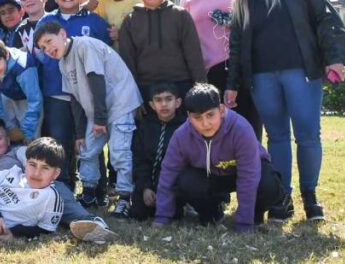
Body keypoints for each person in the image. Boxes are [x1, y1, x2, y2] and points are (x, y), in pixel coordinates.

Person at [225, 0, 345, 222]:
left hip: (301, 72)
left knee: (307, 135)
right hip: (261, 76)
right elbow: (236, 44)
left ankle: (311, 197)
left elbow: (326, 18)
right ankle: (282, 197)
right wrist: (232, 84)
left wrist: (335, 57)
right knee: (277, 137)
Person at [35, 21, 141, 217]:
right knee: (86, 151)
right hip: (97, 112)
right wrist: (79, 133)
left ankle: (126, 197)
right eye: (43, 47)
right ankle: (89, 193)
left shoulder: (84, 46)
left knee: (119, 152)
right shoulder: (62, 63)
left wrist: (100, 119)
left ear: (62, 33)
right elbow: (74, 99)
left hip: (119, 104)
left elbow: (96, 81)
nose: (48, 48)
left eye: (49, 41)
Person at [153, 83, 283, 232]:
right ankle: (212, 213)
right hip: (210, 177)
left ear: (221, 110)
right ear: (189, 117)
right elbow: (168, 174)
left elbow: (249, 176)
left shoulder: (241, 129)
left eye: (210, 115)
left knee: (269, 184)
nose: (205, 123)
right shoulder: (181, 136)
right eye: (197, 118)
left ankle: (255, 214)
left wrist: (243, 224)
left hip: (242, 173)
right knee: (185, 181)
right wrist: (162, 217)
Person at [35, 0, 111, 190]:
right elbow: (39, 54)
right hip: (56, 90)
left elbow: (104, 55)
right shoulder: (46, 21)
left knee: (91, 141)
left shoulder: (95, 22)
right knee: (59, 140)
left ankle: (97, 188)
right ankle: (62, 186)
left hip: (86, 93)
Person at [180, 0, 261, 138]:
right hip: (208, 74)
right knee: (214, 133)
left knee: (246, 130)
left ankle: (251, 168)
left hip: (243, 69)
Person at [118, 0, 207, 103]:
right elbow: (127, 61)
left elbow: (194, 54)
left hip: (181, 85)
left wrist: (201, 88)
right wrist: (132, 96)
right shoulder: (130, 21)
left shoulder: (181, 15)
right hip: (145, 88)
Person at [130, 82, 186, 221]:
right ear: (152, 105)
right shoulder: (145, 127)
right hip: (148, 183)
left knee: (175, 215)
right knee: (138, 213)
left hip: (173, 185)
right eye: (158, 100)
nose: (164, 104)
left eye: (168, 99)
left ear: (178, 102)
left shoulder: (185, 128)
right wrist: (145, 187)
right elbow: (140, 160)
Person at [0, 37, 42, 144]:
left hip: (29, 98)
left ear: (6, 55)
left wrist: (27, 131)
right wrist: (8, 127)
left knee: (31, 140)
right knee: (5, 135)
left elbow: (35, 100)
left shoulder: (22, 65)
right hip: (6, 94)